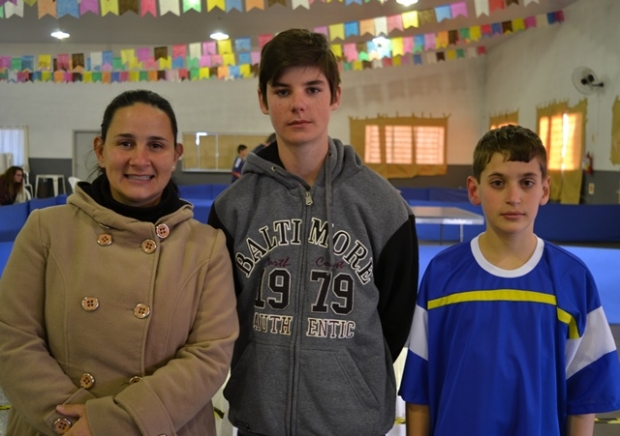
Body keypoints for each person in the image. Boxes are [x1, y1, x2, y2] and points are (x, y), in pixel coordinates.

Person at [208, 28, 419, 436]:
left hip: (352, 422)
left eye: (313, 88)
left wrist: (345, 375)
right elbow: (220, 312)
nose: (298, 104)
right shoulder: (232, 208)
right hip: (261, 419)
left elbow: (395, 320)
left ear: (335, 96)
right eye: (283, 91)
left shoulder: (384, 208)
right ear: (263, 100)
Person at [0, 89, 239, 436]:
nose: (140, 160)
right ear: (100, 150)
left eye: (156, 145)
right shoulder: (46, 230)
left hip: (160, 426)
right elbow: (12, 337)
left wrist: (113, 422)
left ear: (176, 155)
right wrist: (69, 423)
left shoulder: (205, 246)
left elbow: (211, 354)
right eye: (125, 143)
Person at [399, 125, 620, 436]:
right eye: (498, 182)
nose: (514, 197)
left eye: (527, 182)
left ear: (545, 190)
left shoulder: (572, 279)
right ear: (474, 190)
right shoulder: (441, 275)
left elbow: (585, 395)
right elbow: (419, 392)